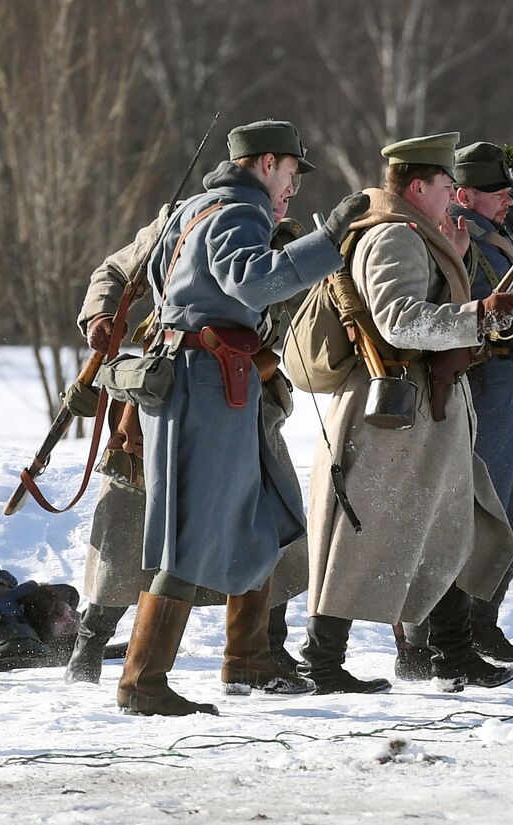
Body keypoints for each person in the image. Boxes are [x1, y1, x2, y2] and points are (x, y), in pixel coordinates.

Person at [117, 120, 368, 716]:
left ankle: (249, 657)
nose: (293, 187)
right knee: (186, 531)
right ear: (266, 163)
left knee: (262, 512)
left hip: (218, 380)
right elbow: (254, 284)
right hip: (202, 384)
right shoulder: (240, 211)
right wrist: (329, 239)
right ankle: (142, 682)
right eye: (290, 172)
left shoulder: (197, 209)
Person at [303, 133, 513, 694]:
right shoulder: (394, 237)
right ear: (418, 185)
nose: (453, 197)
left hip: (422, 408)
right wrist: (476, 316)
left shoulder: (420, 232)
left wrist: (462, 267)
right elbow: (399, 321)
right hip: (392, 410)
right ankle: (323, 662)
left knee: (448, 524)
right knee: (360, 537)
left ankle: (450, 652)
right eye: (448, 186)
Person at [66, 206, 313, 691]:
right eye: (287, 177)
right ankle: (91, 643)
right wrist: (101, 312)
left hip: (247, 395)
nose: (290, 193)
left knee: (269, 520)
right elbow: (116, 270)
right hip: (169, 395)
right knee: (129, 523)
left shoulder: (279, 234)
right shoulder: (182, 222)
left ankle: (263, 651)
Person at [396, 117, 513, 675]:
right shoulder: (453, 233)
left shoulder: (487, 223)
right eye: (498, 191)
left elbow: (510, 218)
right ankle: (428, 636)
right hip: (483, 385)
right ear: (462, 195)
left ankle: (481, 620)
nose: (509, 201)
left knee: (510, 503)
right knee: (471, 511)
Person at [0, 538, 80, 681]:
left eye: (68, 626)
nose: (69, 617)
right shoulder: (9, 582)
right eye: (72, 614)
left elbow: (24, 655)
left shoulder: (13, 631)